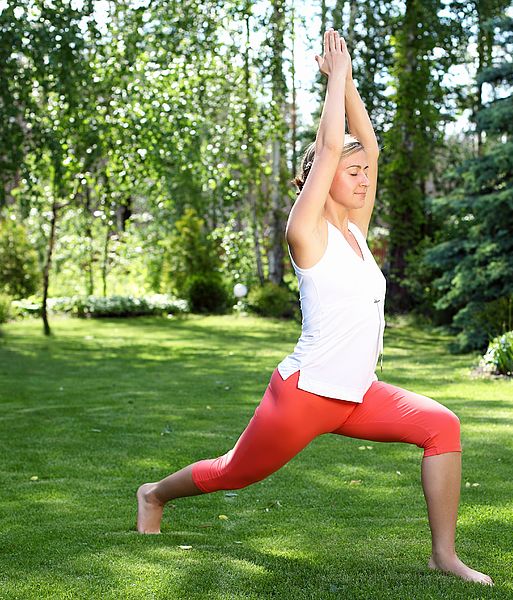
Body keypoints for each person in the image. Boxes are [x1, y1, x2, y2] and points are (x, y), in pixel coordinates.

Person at [136, 28, 493, 587]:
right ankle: (154, 494)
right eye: (351, 176)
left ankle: (443, 555)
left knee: (442, 426)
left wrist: (348, 85)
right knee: (235, 472)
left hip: (356, 394)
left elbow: (365, 148)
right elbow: (332, 149)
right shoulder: (307, 231)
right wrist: (334, 81)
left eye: (364, 176)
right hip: (304, 397)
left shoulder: (354, 230)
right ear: (316, 182)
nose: (363, 179)